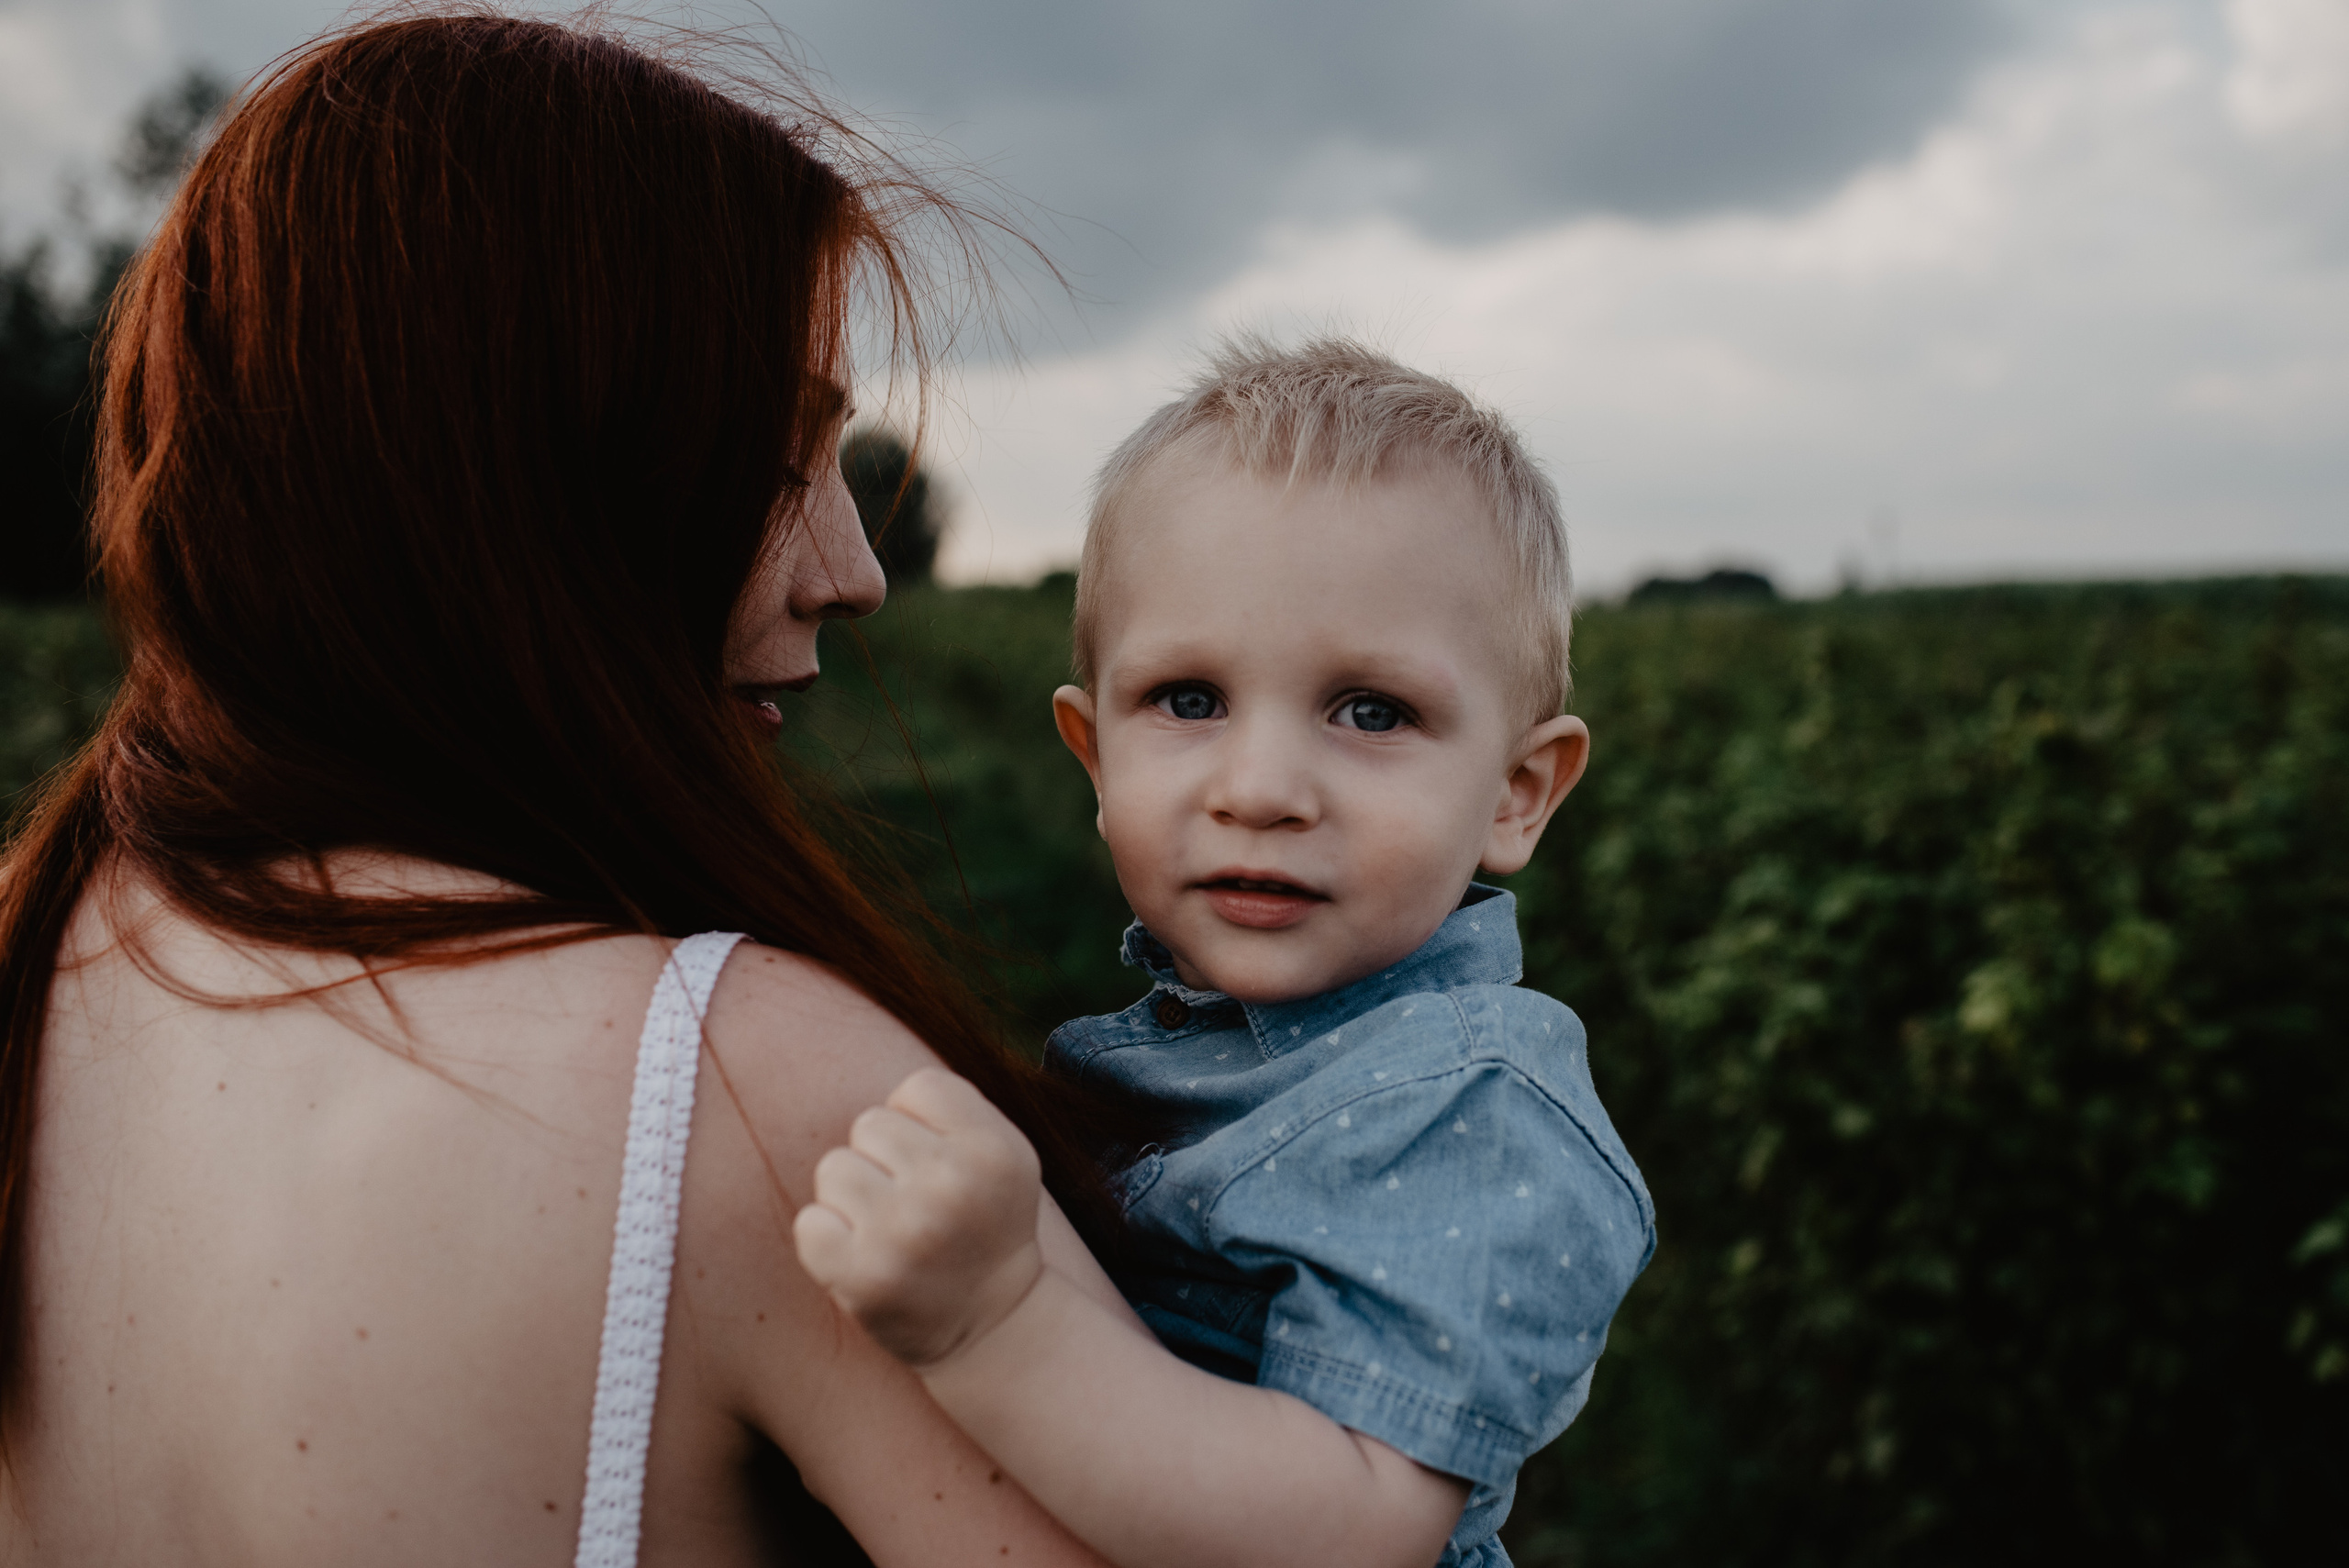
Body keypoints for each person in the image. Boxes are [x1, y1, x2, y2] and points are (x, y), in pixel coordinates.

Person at [0, 15, 1141, 1565]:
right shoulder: (748, 1091)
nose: (854, 573)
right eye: (769, 460)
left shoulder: (30, 953)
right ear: (528, 475)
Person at [795, 339, 1658, 1568]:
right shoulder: (1195, 1049)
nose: (1260, 788)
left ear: (1519, 792)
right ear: (1096, 759)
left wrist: (999, 1321)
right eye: (1190, 700)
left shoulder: (1469, 1109)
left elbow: (1348, 1528)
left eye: (1372, 710)